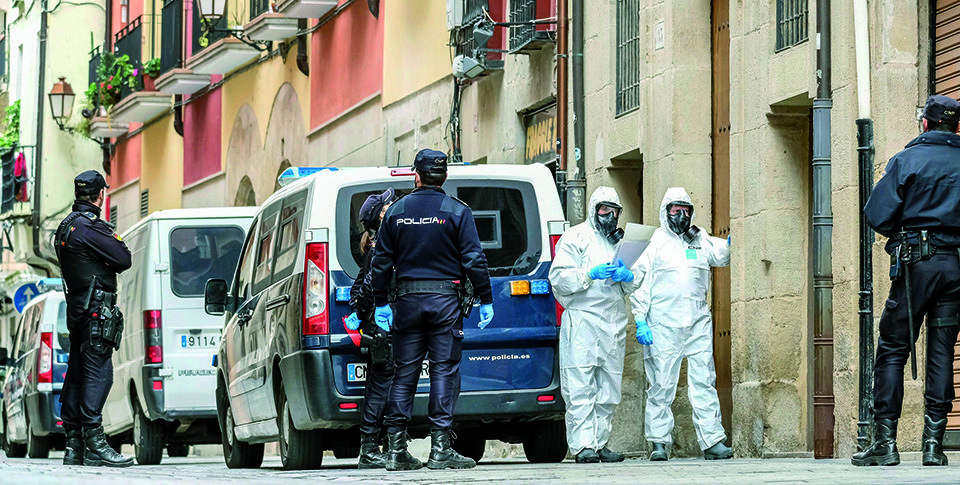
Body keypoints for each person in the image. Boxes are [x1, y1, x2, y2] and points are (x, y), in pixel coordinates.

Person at [369, 149, 495, 471]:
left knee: (404, 373)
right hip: (445, 302)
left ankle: (396, 449)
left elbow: (381, 262)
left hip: (407, 303)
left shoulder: (396, 212)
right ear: (445, 177)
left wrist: (381, 301)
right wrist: (486, 297)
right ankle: (440, 449)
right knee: (444, 370)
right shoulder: (457, 211)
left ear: (416, 175)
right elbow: (474, 259)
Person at [853, 94, 960, 467]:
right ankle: (934, 445)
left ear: (926, 124)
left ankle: (885, 443)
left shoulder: (908, 160)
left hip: (917, 265)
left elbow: (877, 214)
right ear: (955, 126)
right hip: (955, 268)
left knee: (894, 347)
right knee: (943, 349)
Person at [629, 187, 732, 461]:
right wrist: (641, 320)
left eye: (686, 210)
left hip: (697, 323)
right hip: (662, 325)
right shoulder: (653, 244)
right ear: (666, 211)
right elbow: (640, 284)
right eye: (676, 210)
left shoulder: (699, 240)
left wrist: (735, 241)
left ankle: (712, 441)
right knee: (661, 385)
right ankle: (659, 443)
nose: (681, 215)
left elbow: (722, 255)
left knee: (704, 381)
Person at [548, 186, 642, 464]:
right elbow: (559, 278)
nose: (609, 216)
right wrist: (589, 274)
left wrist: (628, 275)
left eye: (614, 212)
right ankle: (583, 446)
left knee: (609, 388)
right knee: (580, 385)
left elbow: (636, 281)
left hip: (613, 320)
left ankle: (600, 443)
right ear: (593, 210)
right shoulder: (574, 237)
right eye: (604, 210)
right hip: (583, 320)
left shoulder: (621, 243)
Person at [55, 170, 134, 467]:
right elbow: (123, 258)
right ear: (101, 195)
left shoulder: (65, 227)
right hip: (96, 307)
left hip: (76, 306)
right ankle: (95, 441)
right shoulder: (89, 228)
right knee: (98, 372)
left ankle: (73, 445)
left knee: (77, 371)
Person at [344, 188, 396, 469]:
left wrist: (359, 313)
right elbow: (367, 286)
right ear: (381, 214)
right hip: (380, 328)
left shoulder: (378, 244)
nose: (393, 205)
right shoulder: (381, 248)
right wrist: (364, 315)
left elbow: (358, 286)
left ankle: (387, 446)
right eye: (388, 204)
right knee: (380, 387)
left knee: (384, 385)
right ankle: (370, 449)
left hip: (378, 325)